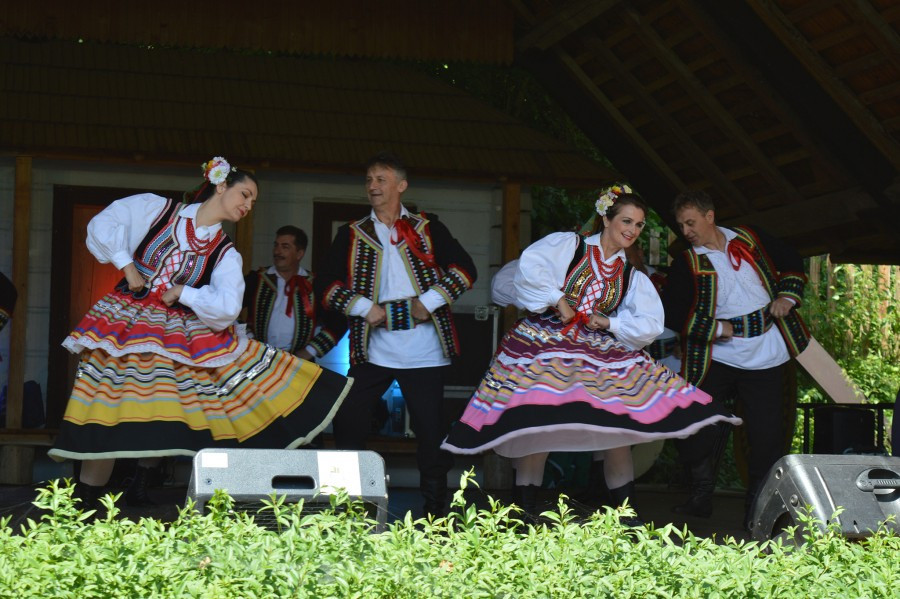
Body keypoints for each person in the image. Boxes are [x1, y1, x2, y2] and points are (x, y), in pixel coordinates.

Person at [48, 156, 353, 509]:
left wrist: (185, 293)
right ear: (221, 185)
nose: (248, 204)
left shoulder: (225, 254)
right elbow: (105, 224)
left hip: (176, 335)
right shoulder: (159, 210)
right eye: (245, 194)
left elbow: (226, 307)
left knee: (187, 411)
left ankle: (159, 492)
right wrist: (127, 266)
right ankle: (87, 508)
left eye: (253, 201)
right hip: (126, 324)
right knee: (104, 407)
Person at [442, 185, 740, 521]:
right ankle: (523, 513)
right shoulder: (570, 246)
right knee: (539, 424)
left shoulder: (630, 275)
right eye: (626, 221)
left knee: (617, 430)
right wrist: (558, 300)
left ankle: (627, 519)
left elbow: (649, 323)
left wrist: (609, 321)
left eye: (639, 225)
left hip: (600, 352)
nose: (632, 230)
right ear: (606, 218)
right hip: (547, 345)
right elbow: (527, 271)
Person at [315, 152, 477, 518]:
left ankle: (436, 512)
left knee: (431, 431)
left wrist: (428, 303)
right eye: (369, 179)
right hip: (372, 349)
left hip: (424, 351)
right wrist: (364, 309)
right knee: (349, 421)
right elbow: (325, 285)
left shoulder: (428, 228)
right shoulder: (353, 233)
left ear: (401, 186)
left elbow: (465, 270)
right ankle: (351, 505)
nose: (373, 185)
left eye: (381, 179)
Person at [662, 190, 810, 524]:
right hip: (718, 357)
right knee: (694, 422)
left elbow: (791, 259)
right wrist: (714, 329)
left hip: (767, 351)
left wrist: (787, 297)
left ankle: (757, 511)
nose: (685, 231)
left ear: (709, 216)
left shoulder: (750, 238)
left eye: (691, 222)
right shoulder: (686, 263)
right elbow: (672, 311)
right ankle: (701, 495)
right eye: (681, 224)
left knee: (766, 435)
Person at [243, 225, 345, 360]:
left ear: (299, 253)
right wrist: (248, 338)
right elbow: (225, 309)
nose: (277, 252)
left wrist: (309, 351)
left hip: (299, 365)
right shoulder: (257, 279)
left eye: (285, 247)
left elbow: (339, 322)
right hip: (257, 358)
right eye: (276, 245)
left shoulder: (314, 284)